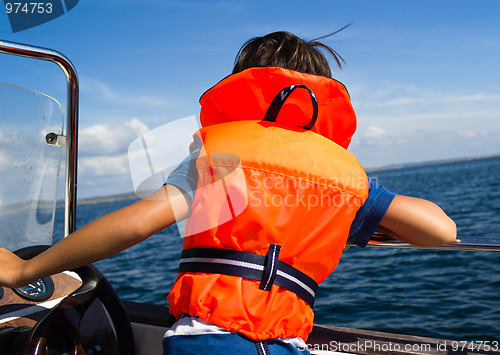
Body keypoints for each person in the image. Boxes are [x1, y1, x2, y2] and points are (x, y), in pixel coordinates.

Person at [0, 31, 457, 355]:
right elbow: (440, 231)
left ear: (243, 87)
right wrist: (363, 196)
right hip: (288, 345)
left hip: (208, 338)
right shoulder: (343, 177)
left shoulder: (220, 156)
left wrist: (29, 267)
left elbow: (137, 224)